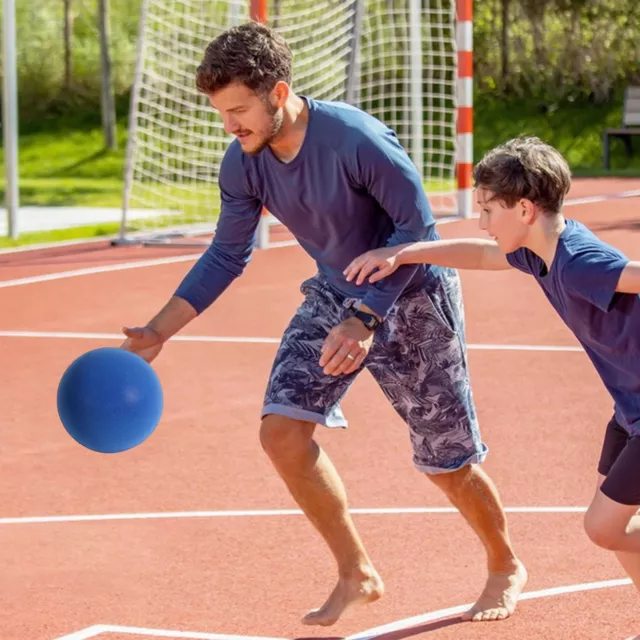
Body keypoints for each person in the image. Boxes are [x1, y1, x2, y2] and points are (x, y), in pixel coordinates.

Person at [120, 21, 527, 627]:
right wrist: (159, 330)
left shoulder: (356, 140)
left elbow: (417, 234)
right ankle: (356, 572)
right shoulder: (245, 162)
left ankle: (504, 564)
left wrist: (366, 317)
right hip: (336, 293)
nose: (231, 127)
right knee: (281, 433)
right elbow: (228, 253)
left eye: (239, 111)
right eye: (222, 113)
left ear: (278, 92)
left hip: (413, 293)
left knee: (447, 462)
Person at [344, 135, 640, 611]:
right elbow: (482, 257)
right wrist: (405, 253)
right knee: (619, 523)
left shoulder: (578, 261)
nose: (481, 223)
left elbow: (632, 273)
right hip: (629, 405)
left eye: (487, 211)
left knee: (605, 527)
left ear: (523, 209)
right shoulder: (539, 250)